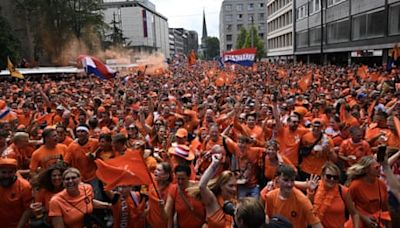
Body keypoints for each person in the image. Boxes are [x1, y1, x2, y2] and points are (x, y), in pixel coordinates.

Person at [188, 146, 237, 228]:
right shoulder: (212, 200)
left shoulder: (233, 203)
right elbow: (202, 186)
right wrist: (214, 164)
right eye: (231, 186)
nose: (234, 189)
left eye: (235, 186)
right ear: (221, 186)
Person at [307, 162, 360, 227]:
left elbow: (355, 214)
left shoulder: (343, 191)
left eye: (335, 177)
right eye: (329, 176)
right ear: (322, 176)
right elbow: (308, 209)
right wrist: (310, 191)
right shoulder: (314, 186)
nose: (332, 179)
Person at [346, 156, 391, 227]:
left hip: (377, 221)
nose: (379, 169)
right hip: (360, 221)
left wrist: (388, 223)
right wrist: (364, 218)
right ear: (367, 170)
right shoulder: (355, 185)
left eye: (379, 167)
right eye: (376, 167)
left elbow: (385, 207)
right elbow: (349, 206)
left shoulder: (381, 184)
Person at [0, 158, 32, 228]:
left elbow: (28, 210)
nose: (7, 176)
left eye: (10, 172)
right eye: (3, 172)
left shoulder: (24, 186)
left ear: (15, 172)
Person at [147, 162, 173, 228]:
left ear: (166, 175)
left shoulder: (171, 189)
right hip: (149, 223)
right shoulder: (151, 184)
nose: (155, 171)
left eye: (158, 170)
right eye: (155, 169)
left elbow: (170, 214)